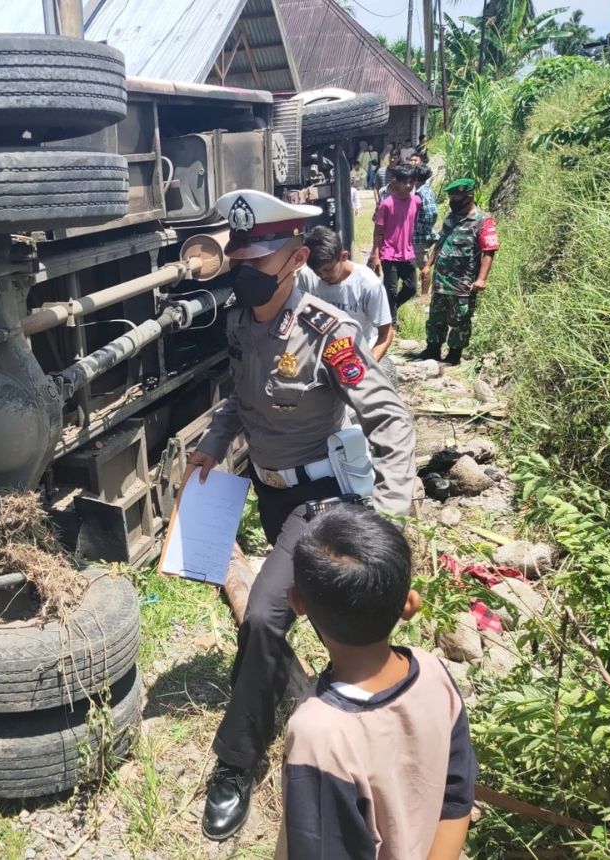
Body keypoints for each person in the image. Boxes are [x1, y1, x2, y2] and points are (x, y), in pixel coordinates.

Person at [190, 189, 416, 842]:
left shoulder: (327, 330)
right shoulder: (241, 324)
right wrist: (211, 445)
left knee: (264, 616)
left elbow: (390, 419)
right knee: (298, 606)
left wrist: (390, 522)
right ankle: (319, 690)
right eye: (236, 255)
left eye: (255, 258)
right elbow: (240, 397)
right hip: (269, 492)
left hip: (321, 498)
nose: (241, 268)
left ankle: (233, 764)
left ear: (293, 259)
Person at [276, 505, 477, 859]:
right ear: (410, 604)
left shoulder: (318, 736)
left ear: (296, 603)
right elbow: (456, 796)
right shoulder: (433, 673)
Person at [418, 178, 500, 365]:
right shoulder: (450, 217)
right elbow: (440, 242)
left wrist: (482, 279)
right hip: (441, 279)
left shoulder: (482, 221)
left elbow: (489, 251)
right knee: (436, 316)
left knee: (460, 319)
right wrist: (428, 265)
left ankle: (454, 354)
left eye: (456, 197)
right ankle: (432, 349)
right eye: (451, 197)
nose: (452, 200)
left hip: (463, 280)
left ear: (468, 196)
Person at [299, 226, 393, 362]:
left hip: (359, 355)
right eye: (317, 271)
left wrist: (369, 365)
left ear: (343, 256)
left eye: (328, 269)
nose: (322, 276)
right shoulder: (307, 276)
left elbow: (386, 334)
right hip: (321, 355)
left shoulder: (368, 284)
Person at [369, 164, 420, 324]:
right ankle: (391, 321)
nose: (408, 186)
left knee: (411, 288)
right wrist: (376, 255)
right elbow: (378, 231)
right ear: (395, 182)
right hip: (389, 253)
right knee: (390, 289)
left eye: (411, 182)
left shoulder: (417, 202)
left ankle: (391, 307)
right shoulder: (387, 204)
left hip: (407, 253)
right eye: (404, 182)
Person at [412, 163, 438, 275]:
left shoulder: (423, 192)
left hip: (420, 235)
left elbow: (432, 213)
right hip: (417, 234)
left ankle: (424, 292)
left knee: (423, 266)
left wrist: (424, 229)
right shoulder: (421, 191)